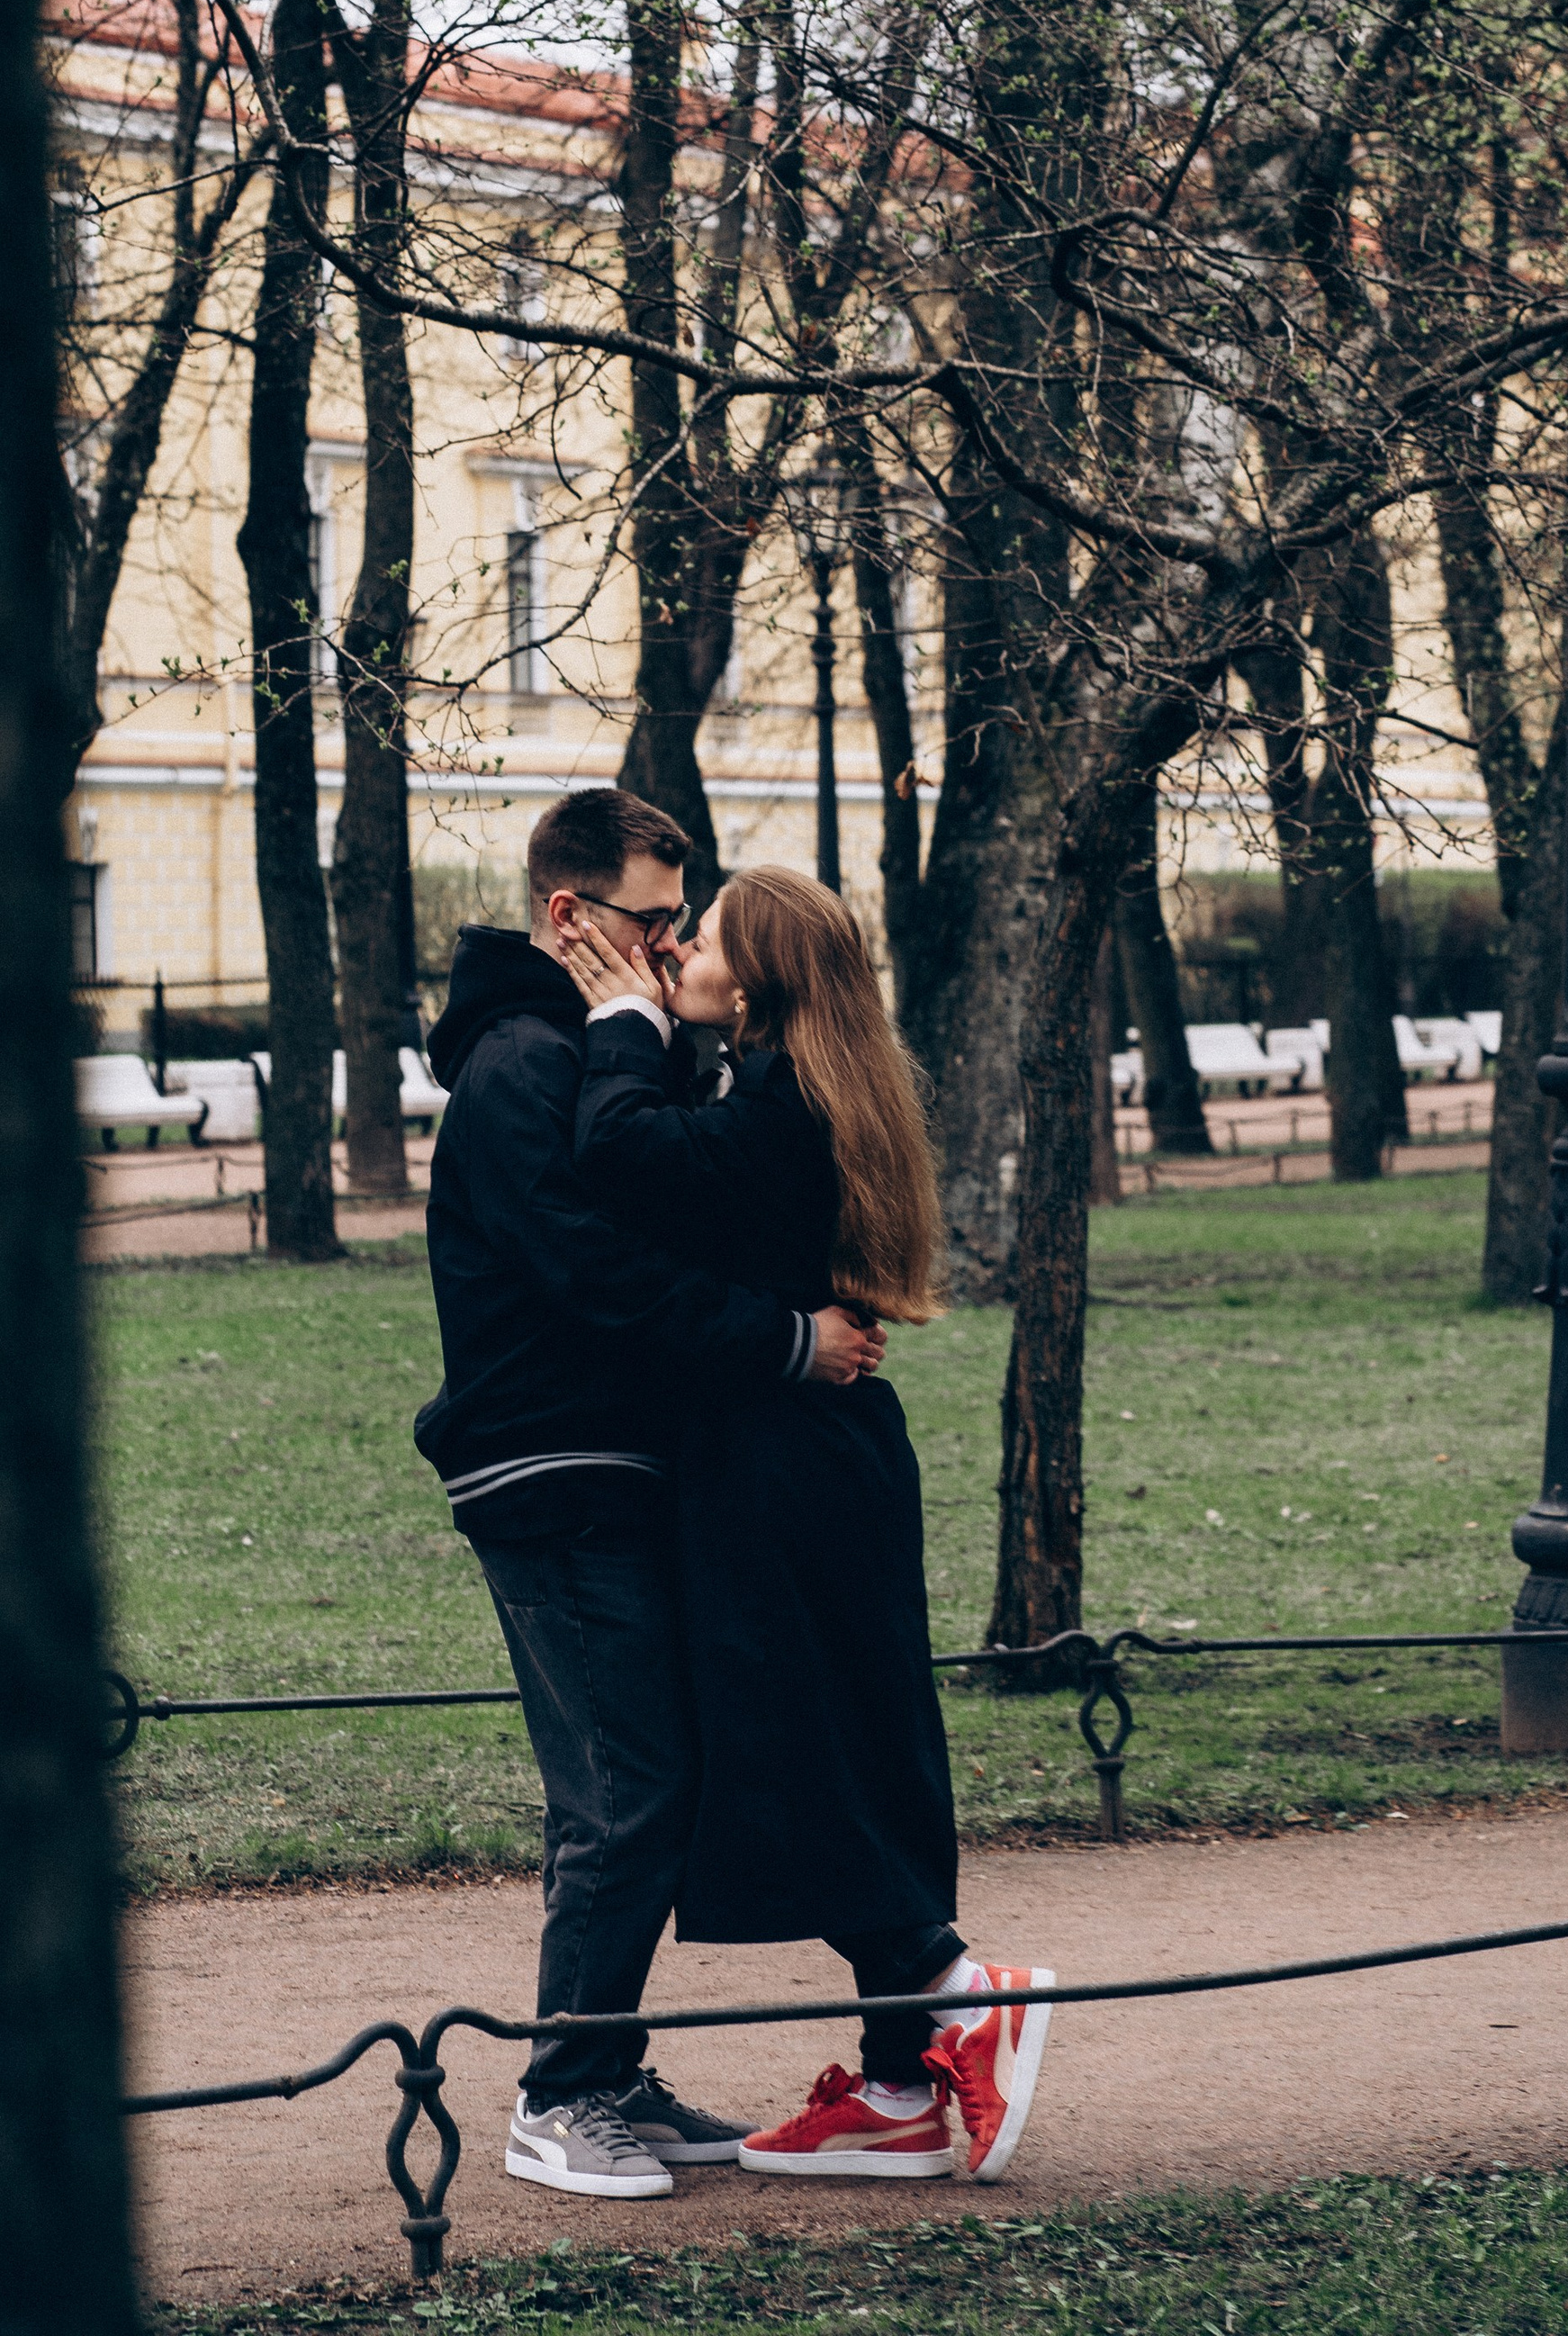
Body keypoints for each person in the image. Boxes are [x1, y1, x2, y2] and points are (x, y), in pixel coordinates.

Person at [415, 790, 884, 2204]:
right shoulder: (519, 1061)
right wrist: (786, 1341)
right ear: (572, 920)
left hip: (618, 1460)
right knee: (627, 1792)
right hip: (549, 1463)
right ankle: (561, 2098)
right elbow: (592, 1271)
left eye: (687, 922)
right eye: (656, 922)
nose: (678, 948)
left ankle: (604, 2068)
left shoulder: (596, 1048)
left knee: (649, 1780)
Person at [552, 866, 1053, 2186]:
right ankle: (897, 2087)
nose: (676, 947)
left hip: (778, 1465)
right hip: (824, 1456)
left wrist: (620, 1026)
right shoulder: (816, 1088)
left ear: (756, 977)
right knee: (867, 1744)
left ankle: (955, 1991)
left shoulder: (777, 1106)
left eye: (700, 935)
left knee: (791, 1744)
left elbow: (615, 1155)